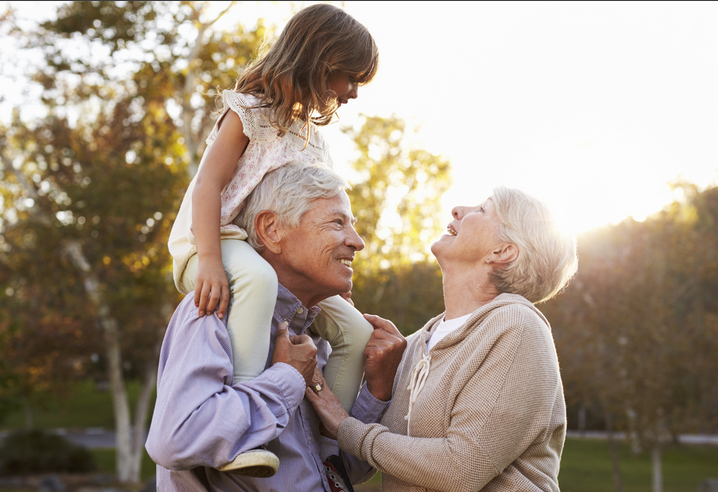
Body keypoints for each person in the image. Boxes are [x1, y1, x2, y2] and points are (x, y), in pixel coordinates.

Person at [167, 3, 378, 473]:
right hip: (216, 236)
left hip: (263, 246)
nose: (354, 94)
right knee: (259, 283)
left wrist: (332, 271)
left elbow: (312, 210)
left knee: (354, 329)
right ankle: (243, 432)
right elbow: (207, 186)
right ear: (323, 61)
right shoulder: (248, 113)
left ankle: (327, 440)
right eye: (351, 78)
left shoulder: (311, 136)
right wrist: (208, 259)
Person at [146, 162, 407, 491]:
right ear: (271, 230)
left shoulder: (320, 339)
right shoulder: (213, 309)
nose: (357, 241)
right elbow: (175, 439)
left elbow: (335, 471)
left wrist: (378, 390)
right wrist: (286, 379)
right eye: (337, 222)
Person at [306, 187, 579, 492]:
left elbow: (461, 469)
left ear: (502, 252)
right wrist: (372, 382)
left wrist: (345, 426)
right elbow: (351, 466)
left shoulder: (517, 326)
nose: (458, 210)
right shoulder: (415, 345)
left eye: (483, 209)